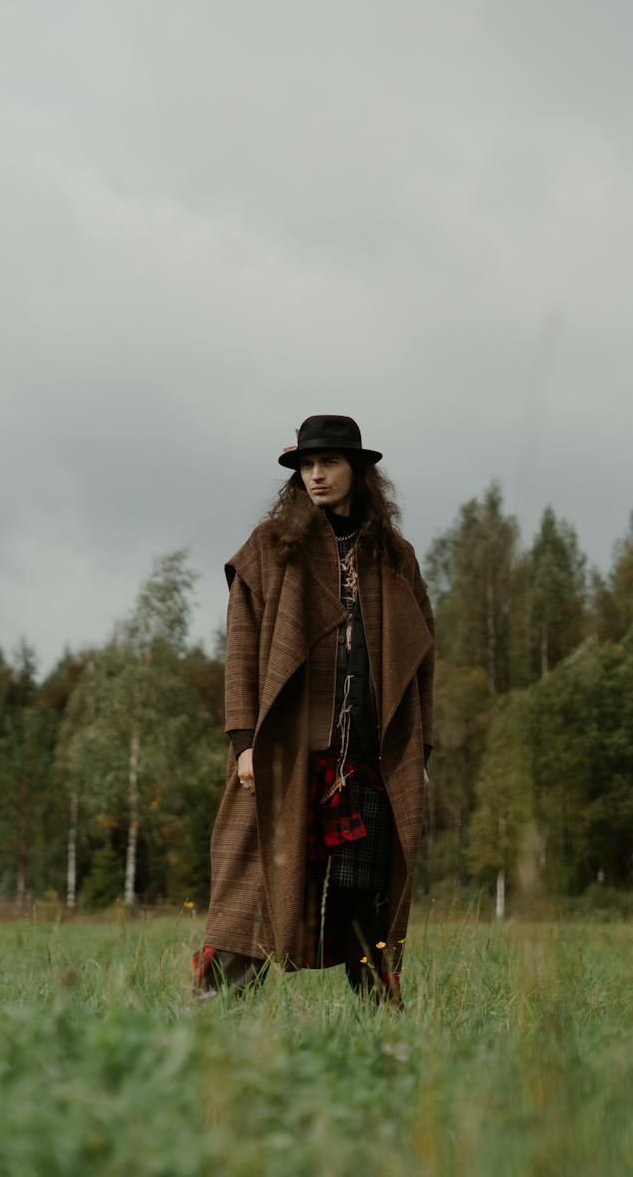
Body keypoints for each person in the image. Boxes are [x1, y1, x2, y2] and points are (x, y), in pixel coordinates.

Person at [192, 415, 435, 1004]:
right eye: (307, 465)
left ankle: (378, 1029)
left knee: (365, 903)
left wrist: (420, 750)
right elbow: (243, 650)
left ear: (359, 470)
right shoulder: (272, 548)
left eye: (329, 463)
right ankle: (212, 1017)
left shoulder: (393, 557)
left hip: (368, 762)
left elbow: (421, 659)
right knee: (253, 888)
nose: (317, 475)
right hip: (284, 754)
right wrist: (244, 740)